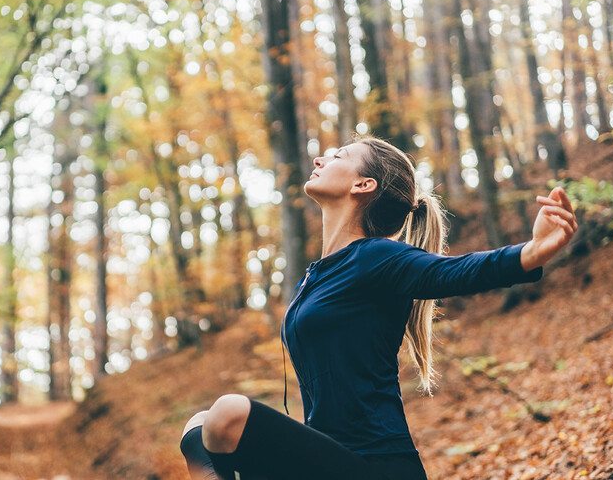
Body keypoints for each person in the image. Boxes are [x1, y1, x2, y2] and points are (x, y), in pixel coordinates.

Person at [178, 136, 578, 479]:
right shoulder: (313, 278)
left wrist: (531, 252)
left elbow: (456, 272)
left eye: (338, 156)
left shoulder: (376, 257)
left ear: (363, 185)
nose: (320, 159)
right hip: (326, 457)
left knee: (229, 413)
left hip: (376, 466)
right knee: (197, 427)